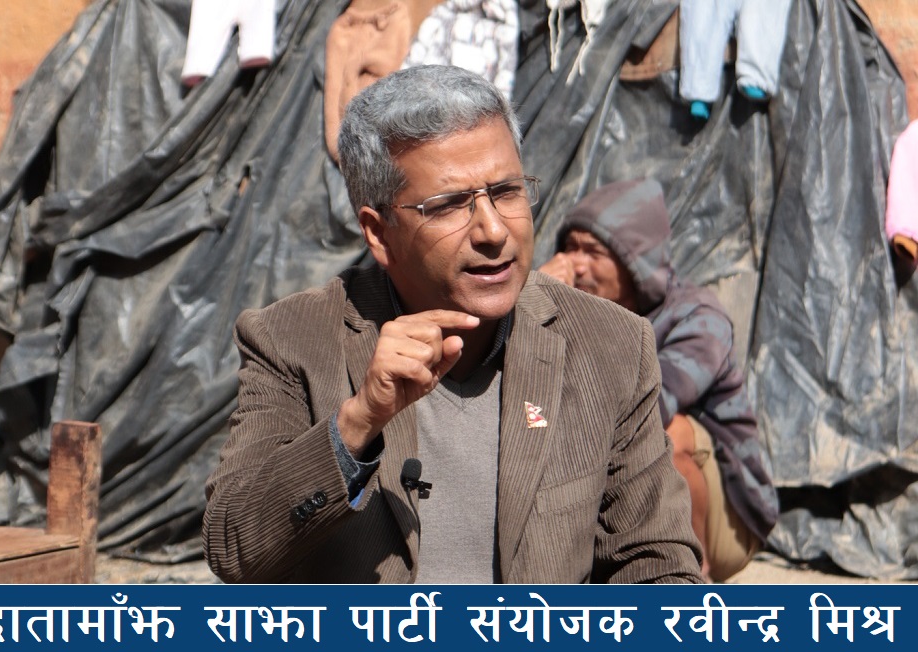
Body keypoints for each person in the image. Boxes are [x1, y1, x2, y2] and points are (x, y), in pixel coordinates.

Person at [203, 65, 704, 584]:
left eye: (506, 192)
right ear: (379, 233)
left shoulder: (609, 344)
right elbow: (234, 548)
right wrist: (356, 424)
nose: (493, 231)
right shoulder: (292, 340)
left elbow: (657, 565)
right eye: (448, 206)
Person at [539, 178, 778, 581]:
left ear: (636, 259)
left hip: (726, 514)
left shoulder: (698, 318)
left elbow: (653, 406)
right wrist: (539, 300)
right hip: (619, 493)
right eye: (569, 248)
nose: (574, 265)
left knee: (666, 431)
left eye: (593, 252)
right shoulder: (579, 311)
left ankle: (688, 577)